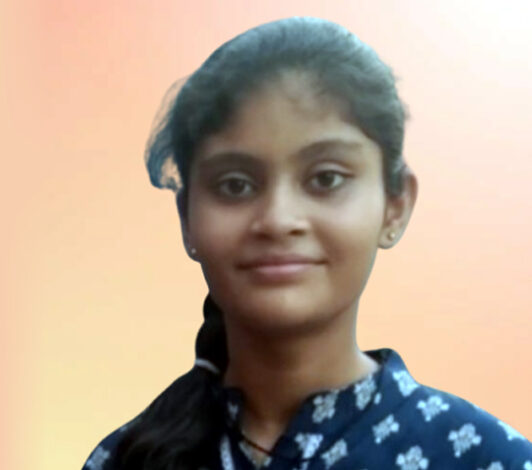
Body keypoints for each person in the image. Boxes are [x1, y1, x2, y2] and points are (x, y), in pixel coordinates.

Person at [81, 17, 532, 470]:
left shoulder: (484, 458)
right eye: (235, 185)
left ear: (395, 205)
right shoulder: (123, 460)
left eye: (326, 178)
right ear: (187, 220)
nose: (278, 220)